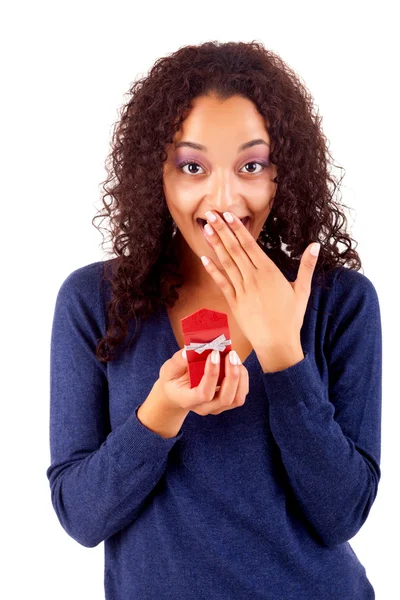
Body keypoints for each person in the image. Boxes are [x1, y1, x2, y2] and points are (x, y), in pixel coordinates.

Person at [46, 41, 382, 599]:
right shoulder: (92, 301)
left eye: (251, 165)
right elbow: (82, 517)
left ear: (281, 174)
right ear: (157, 172)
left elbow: (343, 513)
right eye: (192, 166)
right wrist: (161, 410)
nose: (223, 198)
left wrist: (284, 356)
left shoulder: (342, 302)